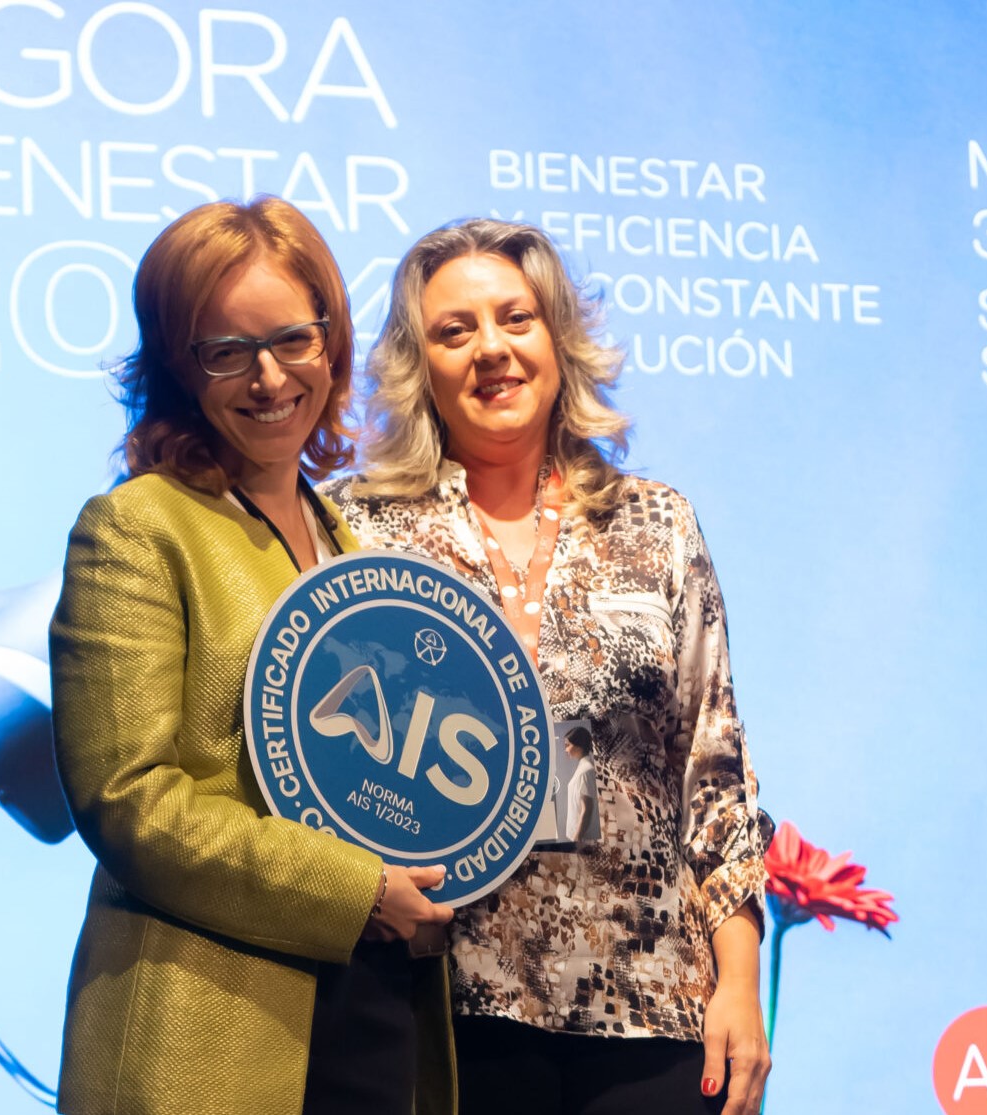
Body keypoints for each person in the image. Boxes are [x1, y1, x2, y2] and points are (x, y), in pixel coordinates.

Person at [325, 219, 771, 1115]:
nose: (491, 348)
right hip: (441, 1000)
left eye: (514, 318)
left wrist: (739, 982)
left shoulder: (656, 525)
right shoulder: (358, 529)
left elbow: (713, 774)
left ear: (558, 341)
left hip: (654, 1007)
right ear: (421, 367)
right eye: (456, 331)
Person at [49, 196, 455, 1115]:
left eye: (291, 340)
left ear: (331, 340)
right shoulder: (138, 528)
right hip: (207, 1032)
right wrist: (354, 888)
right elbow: (129, 801)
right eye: (226, 350)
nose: (269, 377)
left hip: (372, 1018)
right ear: (176, 368)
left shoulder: (351, 544)